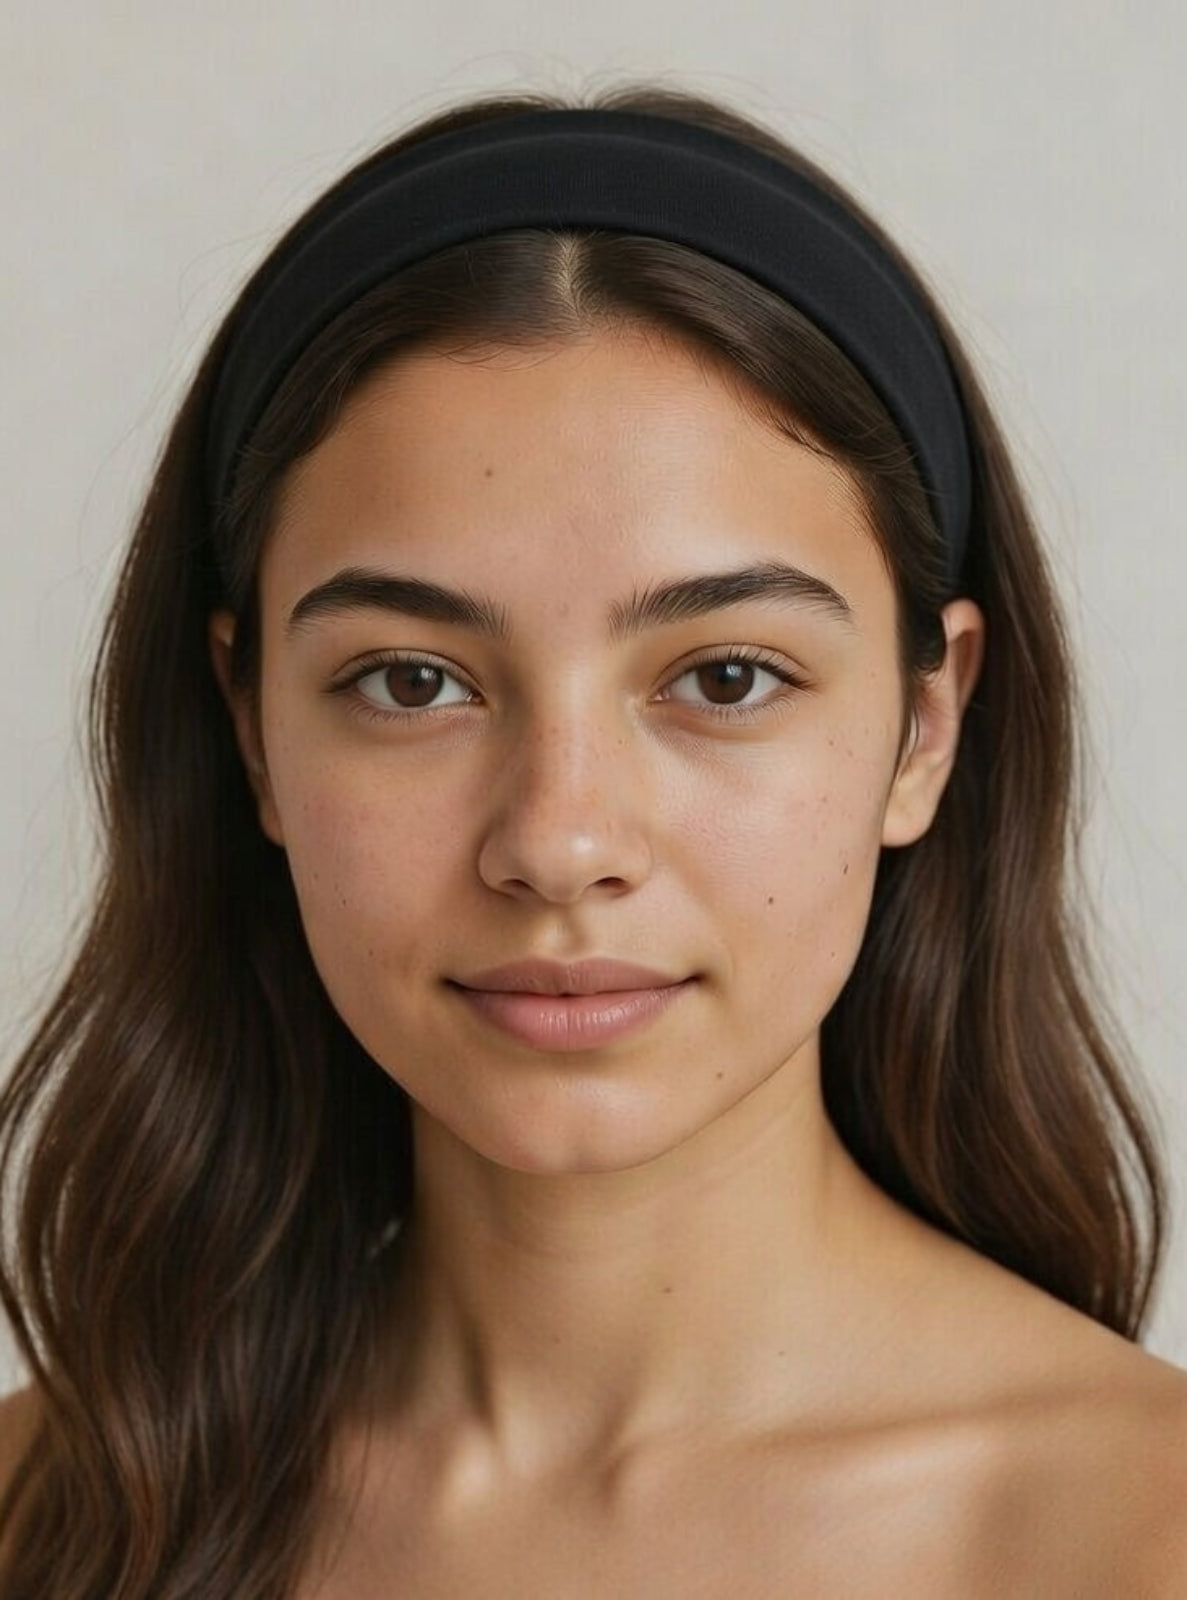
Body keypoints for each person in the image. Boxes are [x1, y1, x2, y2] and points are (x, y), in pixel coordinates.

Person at [0, 79, 1184, 1599]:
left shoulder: (1145, 1536)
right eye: (411, 682)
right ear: (251, 731)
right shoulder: (40, 1518)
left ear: (925, 725)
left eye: (725, 679)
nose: (560, 845)